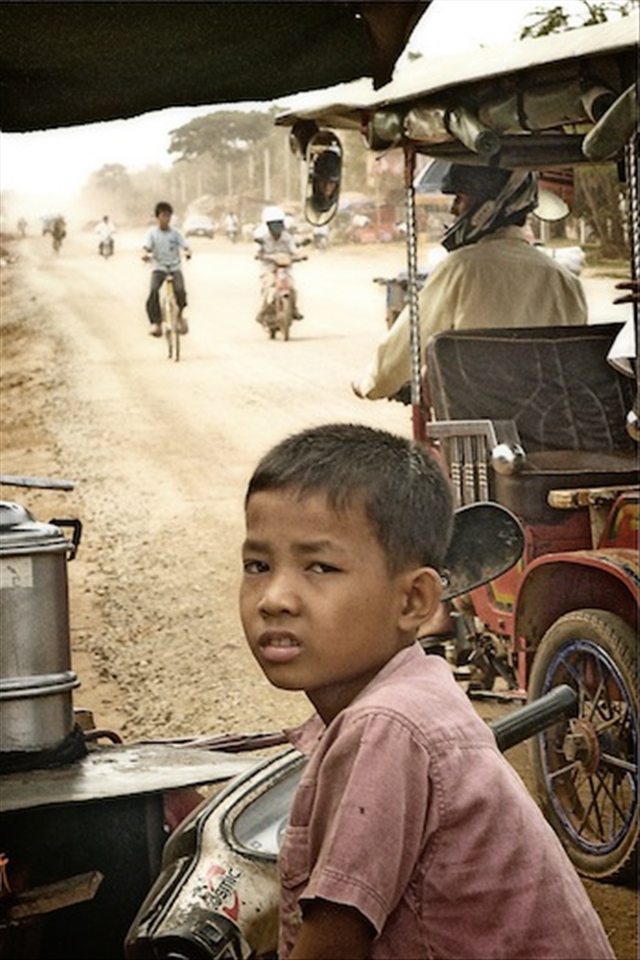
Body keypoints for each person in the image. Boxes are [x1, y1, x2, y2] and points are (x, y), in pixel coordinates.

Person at [239, 422, 615, 960]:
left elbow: (332, 947)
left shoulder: (389, 725)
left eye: (320, 566)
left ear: (415, 600)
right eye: (258, 565)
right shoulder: (407, 695)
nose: (274, 598)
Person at [352, 164, 588, 400]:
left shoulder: (460, 268)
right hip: (552, 424)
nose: (454, 210)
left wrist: (370, 382)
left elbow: (406, 348)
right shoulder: (565, 280)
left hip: (478, 423)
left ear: (490, 206)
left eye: (461, 198)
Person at [142, 201, 191, 337]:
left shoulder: (175, 233)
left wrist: (187, 252)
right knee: (153, 291)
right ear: (157, 217)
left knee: (180, 291)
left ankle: (179, 316)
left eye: (168, 216)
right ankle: (156, 323)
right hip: (159, 268)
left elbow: (185, 245)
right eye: (163, 216)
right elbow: (146, 248)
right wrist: (145, 255)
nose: (166, 219)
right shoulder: (152, 233)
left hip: (174, 267)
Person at [254, 205, 304, 324]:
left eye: (278, 223)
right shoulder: (263, 237)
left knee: (291, 288)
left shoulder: (287, 237)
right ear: (268, 225)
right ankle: (262, 311)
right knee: (269, 288)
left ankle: (294, 309)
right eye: (273, 224)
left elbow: (294, 250)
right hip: (269, 269)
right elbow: (257, 250)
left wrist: (299, 256)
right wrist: (259, 255)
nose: (276, 227)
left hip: (284, 268)